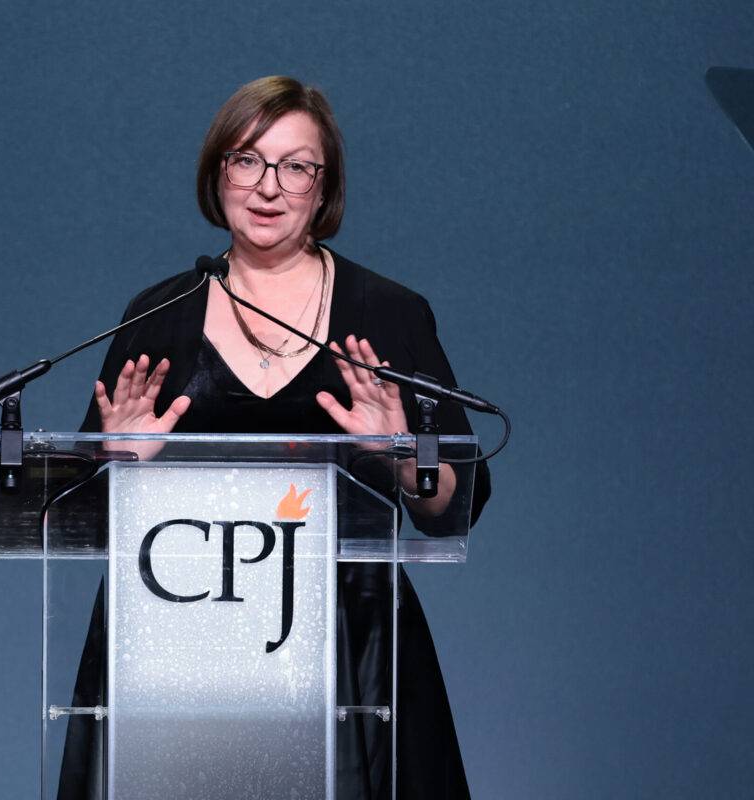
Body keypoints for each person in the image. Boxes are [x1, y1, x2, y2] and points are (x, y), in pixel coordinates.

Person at [62, 76, 492, 800]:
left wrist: (402, 457)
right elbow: (74, 515)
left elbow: (453, 504)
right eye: (246, 160)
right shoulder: (158, 316)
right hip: (180, 646)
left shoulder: (388, 314)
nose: (269, 187)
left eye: (296, 166)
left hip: (351, 646)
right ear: (217, 174)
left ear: (324, 191)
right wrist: (117, 466)